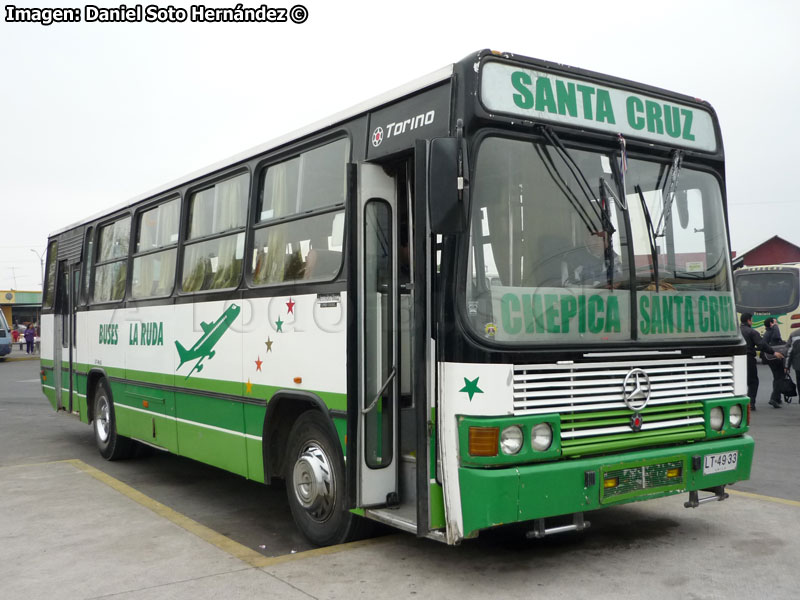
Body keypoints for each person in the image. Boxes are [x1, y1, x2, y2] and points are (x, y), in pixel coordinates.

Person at [740, 313, 783, 411]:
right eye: (751, 319)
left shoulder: (736, 331)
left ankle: (737, 403)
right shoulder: (752, 332)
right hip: (748, 358)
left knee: (739, 381)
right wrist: (773, 352)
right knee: (753, 381)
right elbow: (762, 344)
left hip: (735, 358)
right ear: (748, 320)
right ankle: (751, 403)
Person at [762, 317, 787, 407]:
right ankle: (774, 398)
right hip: (776, 357)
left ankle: (777, 398)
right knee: (780, 377)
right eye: (775, 321)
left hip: (770, 358)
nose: (777, 323)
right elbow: (777, 338)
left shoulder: (767, 332)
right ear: (771, 323)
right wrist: (776, 326)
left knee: (776, 377)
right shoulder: (774, 329)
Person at [785, 329, 800, 398]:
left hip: (798, 364)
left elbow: (789, 352)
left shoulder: (794, 334)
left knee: (799, 381)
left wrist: (787, 366)